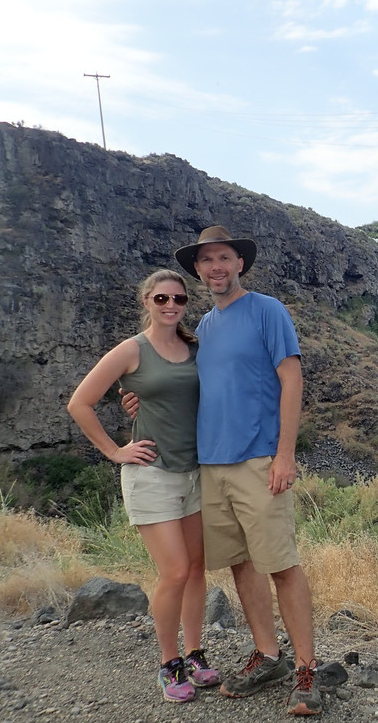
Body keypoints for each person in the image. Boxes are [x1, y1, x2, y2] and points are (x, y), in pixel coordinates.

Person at [125, 226, 321, 716]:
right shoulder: (204, 329)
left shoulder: (267, 310)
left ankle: (306, 671)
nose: (216, 267)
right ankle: (268, 655)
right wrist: (137, 400)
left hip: (259, 460)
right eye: (207, 260)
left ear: (239, 264)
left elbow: (292, 379)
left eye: (224, 258)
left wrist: (285, 454)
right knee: (241, 564)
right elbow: (180, 383)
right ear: (198, 269)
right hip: (210, 466)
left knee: (282, 564)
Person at [67, 269, 221, 704]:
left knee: (196, 568)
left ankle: (195, 653)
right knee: (175, 571)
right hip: (151, 474)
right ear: (146, 301)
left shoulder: (194, 348)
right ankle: (169, 663)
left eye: (179, 299)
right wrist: (115, 450)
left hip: (194, 471)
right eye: (161, 298)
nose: (171, 305)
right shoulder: (132, 350)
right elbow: (80, 403)